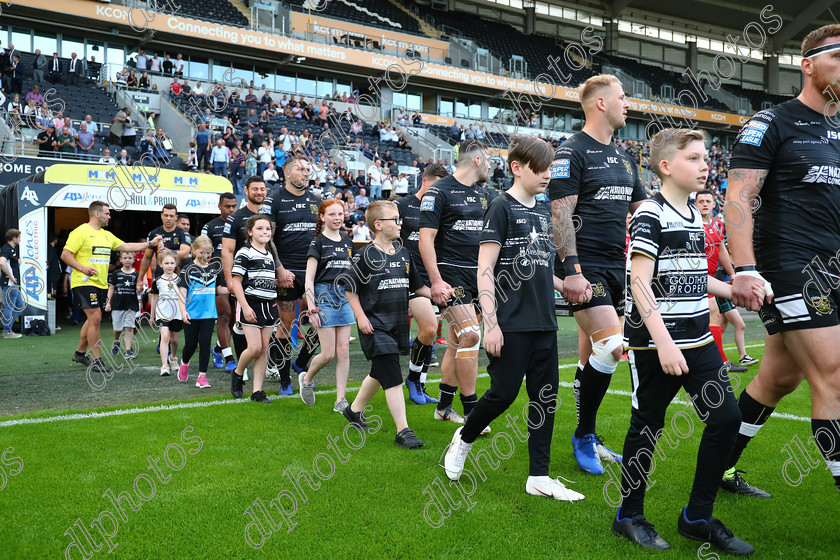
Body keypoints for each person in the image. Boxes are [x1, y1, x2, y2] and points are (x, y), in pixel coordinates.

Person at [612, 128, 752, 555]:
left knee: (726, 418)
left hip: (697, 338)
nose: (705, 164)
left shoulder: (694, 213)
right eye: (693, 158)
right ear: (666, 167)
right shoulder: (651, 213)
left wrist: (733, 291)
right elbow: (639, 282)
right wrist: (663, 342)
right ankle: (628, 515)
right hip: (656, 342)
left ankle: (696, 517)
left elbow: (691, 275)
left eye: (705, 157)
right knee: (647, 426)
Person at [722, 23, 840, 498]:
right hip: (787, 265)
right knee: (834, 376)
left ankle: (717, 470)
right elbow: (738, 199)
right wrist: (747, 269)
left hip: (831, 266)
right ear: (807, 65)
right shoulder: (772, 122)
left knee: (778, 378)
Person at [444, 136, 585, 501]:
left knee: (546, 398)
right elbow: (485, 269)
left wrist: (567, 284)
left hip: (545, 321)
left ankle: (539, 475)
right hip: (510, 322)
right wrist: (490, 323)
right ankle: (464, 437)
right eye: (540, 169)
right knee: (503, 394)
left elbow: (539, 266)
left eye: (550, 169)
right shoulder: (500, 207)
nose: (546, 176)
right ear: (517, 167)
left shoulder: (545, 210)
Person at [548, 74, 646, 475]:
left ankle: (587, 431)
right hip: (584, 267)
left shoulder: (625, 157)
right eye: (623, 97)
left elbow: (640, 210)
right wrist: (571, 270)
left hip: (617, 265)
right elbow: (559, 213)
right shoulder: (570, 152)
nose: (629, 104)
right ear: (601, 103)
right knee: (611, 347)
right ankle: (584, 434)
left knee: (596, 353)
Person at [340, 200, 430, 449]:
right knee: (392, 373)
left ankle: (354, 410)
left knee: (380, 371)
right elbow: (350, 288)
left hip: (398, 324)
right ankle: (403, 430)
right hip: (374, 324)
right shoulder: (365, 255)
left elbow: (418, 287)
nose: (400, 223)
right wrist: (361, 317)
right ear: (378, 225)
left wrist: (440, 294)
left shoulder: (404, 253)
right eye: (394, 219)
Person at [419, 139, 492, 424]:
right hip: (450, 275)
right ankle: (473, 411)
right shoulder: (438, 191)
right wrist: (435, 281)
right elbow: (426, 239)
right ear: (476, 161)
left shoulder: (485, 195)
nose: (489, 166)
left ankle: (443, 407)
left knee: (457, 342)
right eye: (487, 161)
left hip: (478, 276)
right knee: (472, 335)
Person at [62, 202, 161, 372]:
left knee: (93, 319)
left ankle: (79, 353)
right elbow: (65, 254)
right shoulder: (80, 232)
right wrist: (83, 268)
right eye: (107, 214)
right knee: (96, 318)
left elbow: (127, 246)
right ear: (97, 214)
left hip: (100, 283)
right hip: (84, 282)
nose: (110, 217)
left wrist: (150, 244)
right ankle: (97, 360)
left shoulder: (107, 236)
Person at [267, 153, 322, 394]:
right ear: (287, 173)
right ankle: (285, 379)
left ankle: (301, 363)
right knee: (286, 326)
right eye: (300, 169)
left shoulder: (317, 200)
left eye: (308, 169)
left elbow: (322, 237)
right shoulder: (275, 199)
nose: (306, 173)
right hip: (286, 271)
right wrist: (279, 268)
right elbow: (267, 236)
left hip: (313, 272)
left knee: (323, 322)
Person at [395, 163, 449, 405]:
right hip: (406, 280)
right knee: (427, 330)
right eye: (436, 185)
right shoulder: (402, 206)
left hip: (432, 279)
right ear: (424, 181)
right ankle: (411, 380)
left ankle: (418, 382)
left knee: (428, 332)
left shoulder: (440, 208)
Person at [300, 199, 355, 410]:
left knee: (343, 351)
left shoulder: (347, 241)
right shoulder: (317, 243)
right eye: (332, 214)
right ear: (322, 217)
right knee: (328, 354)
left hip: (344, 295)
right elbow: (309, 279)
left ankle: (340, 400)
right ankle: (307, 378)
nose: (337, 218)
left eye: (340, 214)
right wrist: (311, 308)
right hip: (323, 295)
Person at [694, 190, 752, 371]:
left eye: (707, 201)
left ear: (714, 204)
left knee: (715, 317)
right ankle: (720, 361)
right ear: (694, 205)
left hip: (710, 279)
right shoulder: (692, 224)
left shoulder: (717, 225)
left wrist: (732, 273)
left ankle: (716, 360)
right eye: (700, 201)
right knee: (712, 316)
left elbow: (721, 249)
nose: (704, 204)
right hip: (697, 278)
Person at [230, 215, 281, 403]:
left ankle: (257, 392)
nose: (265, 232)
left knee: (263, 349)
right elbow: (236, 281)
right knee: (254, 347)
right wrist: (244, 306)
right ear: (250, 232)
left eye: (267, 228)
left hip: (269, 305)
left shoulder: (270, 255)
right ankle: (237, 373)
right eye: (259, 228)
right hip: (251, 303)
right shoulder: (244, 253)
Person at [202, 193, 239, 373]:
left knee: (234, 319)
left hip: (238, 275)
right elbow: (201, 249)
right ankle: (229, 358)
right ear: (219, 207)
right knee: (224, 315)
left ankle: (217, 348)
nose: (231, 209)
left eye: (234, 206)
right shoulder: (209, 227)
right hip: (217, 276)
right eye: (227, 206)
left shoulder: (241, 223)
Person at [176, 235, 217, 389]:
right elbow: (182, 292)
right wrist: (183, 311)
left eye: (209, 252)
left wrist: (235, 288)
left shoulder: (214, 268)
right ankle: (184, 362)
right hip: (191, 313)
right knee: (191, 345)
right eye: (202, 252)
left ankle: (202, 377)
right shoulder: (187, 269)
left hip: (209, 313)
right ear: (193, 250)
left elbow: (219, 289)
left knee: (205, 343)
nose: (205, 256)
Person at [150, 250, 188, 377]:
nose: (170, 265)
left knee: (174, 340)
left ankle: (173, 358)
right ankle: (164, 366)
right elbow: (154, 298)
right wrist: (152, 315)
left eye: (172, 263)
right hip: (163, 313)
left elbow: (184, 297)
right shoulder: (157, 281)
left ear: (176, 264)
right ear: (161, 264)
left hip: (176, 313)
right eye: (166, 263)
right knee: (165, 336)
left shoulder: (180, 280)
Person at [105, 252, 139, 359]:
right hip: (117, 304)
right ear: (120, 260)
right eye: (125, 258)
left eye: (130, 258)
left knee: (129, 327)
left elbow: (140, 289)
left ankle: (128, 350)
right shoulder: (116, 273)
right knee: (117, 328)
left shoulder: (137, 274)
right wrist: (108, 302)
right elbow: (111, 288)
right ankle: (116, 341)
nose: (127, 260)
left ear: (134, 259)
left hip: (131, 304)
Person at [0, 229, 22, 339]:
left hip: (12, 283)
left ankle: (8, 328)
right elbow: (2, 262)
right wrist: (11, 277)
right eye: (19, 237)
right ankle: (7, 331)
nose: (20, 239)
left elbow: (7, 263)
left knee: (20, 305)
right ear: (14, 238)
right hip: (10, 283)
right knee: (10, 307)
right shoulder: (6, 249)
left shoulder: (11, 249)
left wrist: (17, 262)